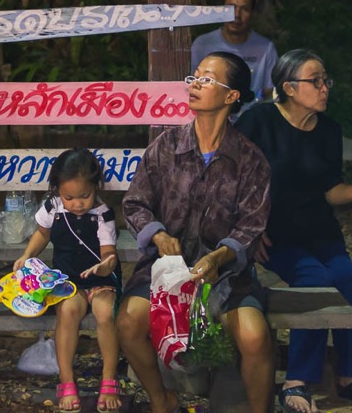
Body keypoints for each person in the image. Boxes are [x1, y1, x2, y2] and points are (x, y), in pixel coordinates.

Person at [116, 51, 274, 413]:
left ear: (232, 96)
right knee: (127, 321)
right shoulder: (166, 147)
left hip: (224, 275)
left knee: (255, 336)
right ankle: (162, 400)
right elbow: (135, 203)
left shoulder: (250, 159)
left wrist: (220, 256)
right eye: (195, 77)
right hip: (166, 271)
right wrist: (157, 235)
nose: (196, 84)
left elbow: (253, 223)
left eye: (207, 79)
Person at [236, 49, 352, 413]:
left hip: (319, 229)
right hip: (274, 234)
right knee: (315, 283)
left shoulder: (329, 130)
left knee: (346, 280)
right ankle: (297, 380)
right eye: (315, 81)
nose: (324, 88)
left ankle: (351, 375)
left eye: (326, 80)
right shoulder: (259, 121)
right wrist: (248, 231)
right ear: (289, 87)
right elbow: (233, 180)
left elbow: (329, 189)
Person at [15, 148, 123, 412]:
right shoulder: (52, 207)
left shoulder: (103, 214)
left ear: (96, 187)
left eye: (85, 196)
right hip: (67, 280)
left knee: (106, 312)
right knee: (69, 311)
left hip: (100, 280)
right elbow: (42, 234)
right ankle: (66, 381)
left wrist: (105, 265)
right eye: (69, 197)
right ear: (57, 190)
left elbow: (109, 254)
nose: (77, 203)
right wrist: (27, 256)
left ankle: (109, 378)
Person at [190, 0, 278, 105]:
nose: (236, 15)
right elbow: (190, 85)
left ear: (253, 13)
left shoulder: (266, 48)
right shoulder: (203, 44)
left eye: (245, 9)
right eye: (231, 8)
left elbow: (270, 92)